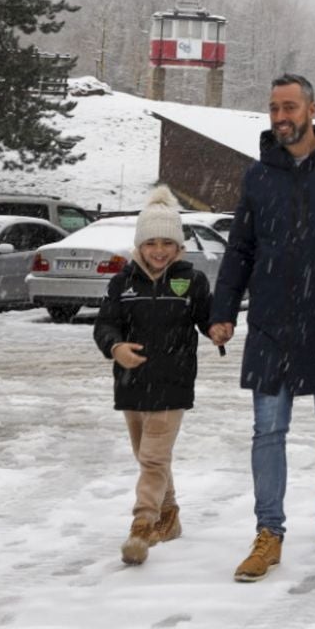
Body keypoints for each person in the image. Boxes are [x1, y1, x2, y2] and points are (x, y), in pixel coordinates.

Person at [209, 73, 315, 584]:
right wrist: (222, 311)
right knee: (267, 429)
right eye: (273, 109)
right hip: (271, 321)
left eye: (289, 107)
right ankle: (269, 533)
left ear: (311, 108)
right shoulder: (259, 176)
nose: (281, 117)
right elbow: (240, 248)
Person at [92, 185, 212, 566]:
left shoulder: (192, 281)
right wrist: (116, 348)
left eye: (167, 243)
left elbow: (209, 321)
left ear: (179, 247)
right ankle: (170, 515)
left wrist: (220, 329)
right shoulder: (122, 282)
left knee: (153, 460)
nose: (158, 250)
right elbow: (105, 325)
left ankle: (142, 525)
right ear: (139, 246)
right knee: (148, 458)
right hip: (131, 385)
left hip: (172, 383)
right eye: (150, 243)